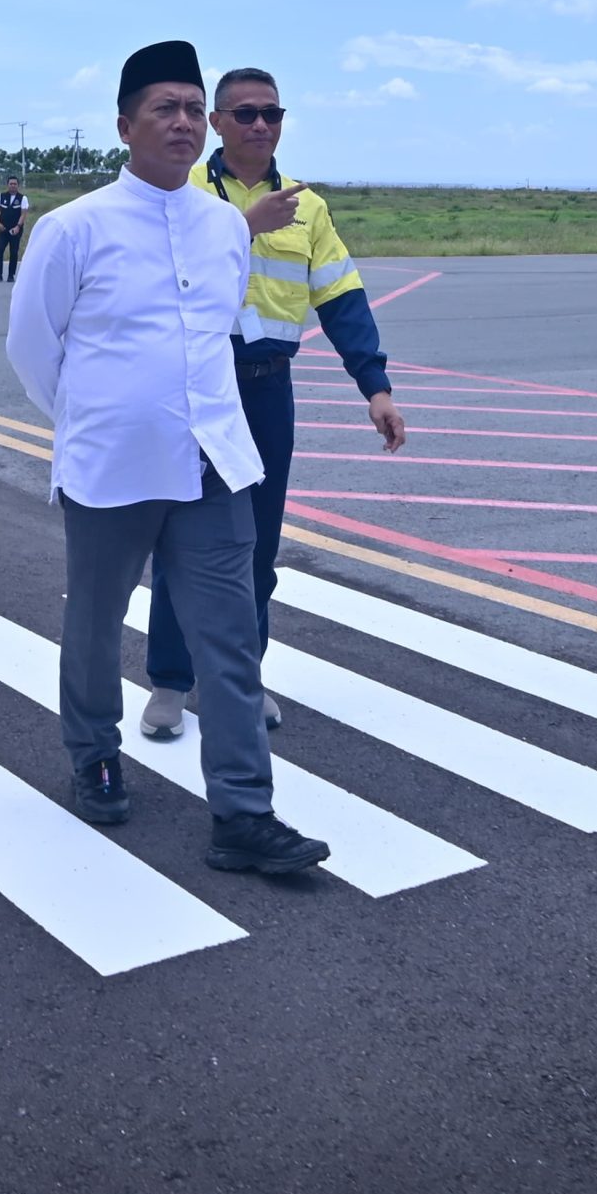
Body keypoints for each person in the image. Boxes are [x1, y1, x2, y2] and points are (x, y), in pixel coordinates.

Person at [5, 39, 327, 876]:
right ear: (125, 126)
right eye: (165, 108)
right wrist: (97, 419)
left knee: (231, 639)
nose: (183, 122)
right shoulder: (73, 228)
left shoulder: (224, 226)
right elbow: (31, 348)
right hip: (113, 467)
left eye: (192, 108)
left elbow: (215, 332)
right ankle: (94, 756)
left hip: (214, 463)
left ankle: (244, 812)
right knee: (94, 621)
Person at [141, 68, 408, 740]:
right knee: (180, 537)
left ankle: (242, 679)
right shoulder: (183, 187)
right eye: (246, 113)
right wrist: (244, 227)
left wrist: (375, 387)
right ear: (218, 123)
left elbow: (341, 297)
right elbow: (155, 270)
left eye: (272, 113)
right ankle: (169, 681)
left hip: (265, 388)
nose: (261, 124)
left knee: (256, 546)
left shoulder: (307, 207)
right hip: (195, 386)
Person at [0, 174, 29, 282]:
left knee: (14, 252)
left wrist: (18, 227)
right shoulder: (1, 196)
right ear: (7, 185)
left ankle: (11, 275)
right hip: (3, 229)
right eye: (11, 184)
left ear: (18, 185)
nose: (13, 185)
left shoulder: (23, 198)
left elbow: (23, 214)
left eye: (15, 184)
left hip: (15, 230)